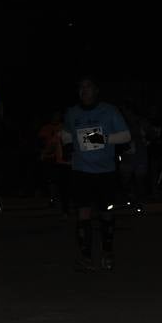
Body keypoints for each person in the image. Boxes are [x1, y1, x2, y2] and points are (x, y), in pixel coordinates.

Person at [62, 76, 130, 270]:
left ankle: (107, 252)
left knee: (106, 213)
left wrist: (98, 138)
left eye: (88, 87)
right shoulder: (72, 112)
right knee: (83, 213)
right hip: (81, 171)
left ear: (96, 90)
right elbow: (66, 131)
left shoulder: (109, 111)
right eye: (81, 87)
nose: (84, 91)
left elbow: (126, 135)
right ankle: (86, 256)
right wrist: (67, 144)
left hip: (105, 172)